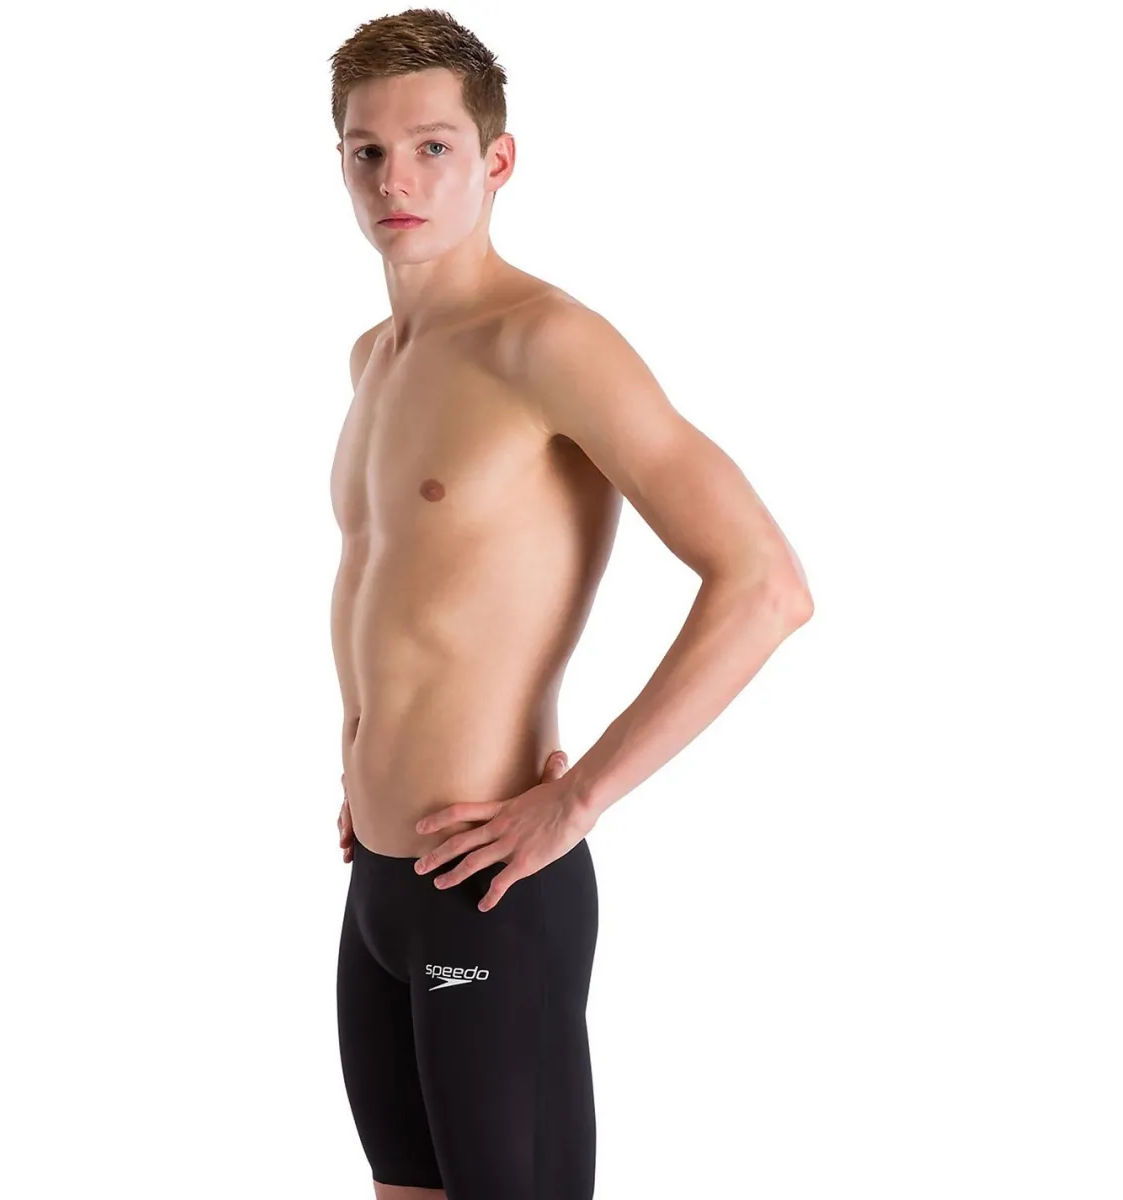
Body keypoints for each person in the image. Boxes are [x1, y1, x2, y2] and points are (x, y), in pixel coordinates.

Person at [327, 9, 813, 1199]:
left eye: (433, 147)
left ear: (497, 160)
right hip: (379, 882)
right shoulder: (374, 358)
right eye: (367, 151)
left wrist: (577, 797)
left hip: (493, 887)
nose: (396, 180)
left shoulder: (546, 343)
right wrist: (366, 768)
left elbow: (764, 583)